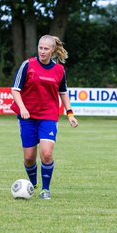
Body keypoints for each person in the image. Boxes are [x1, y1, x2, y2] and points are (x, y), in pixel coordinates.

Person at [10, 35, 78, 200]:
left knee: (46, 154)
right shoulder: (28, 65)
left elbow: (63, 92)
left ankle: (45, 189)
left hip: (48, 116)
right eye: (40, 47)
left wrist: (70, 113)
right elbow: (15, 90)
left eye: (46, 48)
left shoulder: (59, 70)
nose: (42, 51)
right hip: (27, 117)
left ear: (53, 50)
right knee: (29, 158)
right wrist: (23, 108)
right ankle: (32, 184)